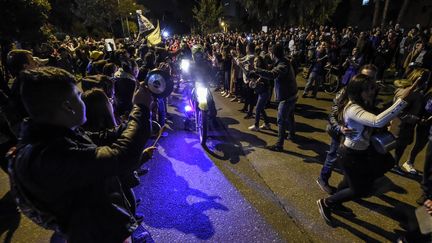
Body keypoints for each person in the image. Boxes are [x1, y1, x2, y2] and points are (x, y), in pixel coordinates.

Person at [9, 66, 153, 242]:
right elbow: (119, 157)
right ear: (68, 106)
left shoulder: (54, 133)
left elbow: (102, 138)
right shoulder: (49, 156)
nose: (82, 99)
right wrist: (141, 108)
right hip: (97, 235)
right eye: (77, 96)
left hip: (98, 225)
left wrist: (132, 119)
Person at [317, 73, 417, 225]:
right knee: (359, 190)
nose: (372, 91)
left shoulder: (364, 103)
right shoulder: (354, 109)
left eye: (372, 87)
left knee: (350, 182)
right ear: (358, 91)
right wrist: (403, 101)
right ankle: (327, 203)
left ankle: (337, 202)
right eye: (368, 89)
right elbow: (377, 121)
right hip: (350, 154)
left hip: (360, 152)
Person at [316, 64, 379, 194]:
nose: (368, 80)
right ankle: (323, 179)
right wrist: (340, 128)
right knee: (333, 155)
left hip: (360, 134)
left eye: (371, 78)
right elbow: (333, 113)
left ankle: (348, 187)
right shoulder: (347, 90)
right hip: (343, 131)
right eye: (365, 76)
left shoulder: (373, 91)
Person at [252, 44, 298, 152]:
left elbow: (273, 74)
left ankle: (279, 145)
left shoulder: (282, 65)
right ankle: (291, 134)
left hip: (287, 97)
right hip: (292, 94)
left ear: (273, 54)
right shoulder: (283, 62)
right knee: (290, 115)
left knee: (281, 120)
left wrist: (257, 70)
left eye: (270, 52)